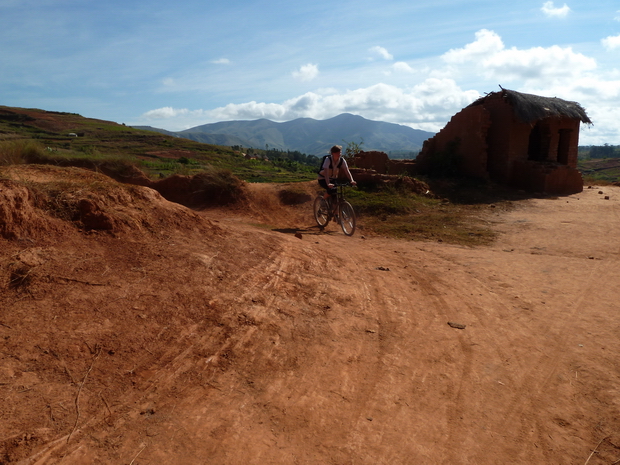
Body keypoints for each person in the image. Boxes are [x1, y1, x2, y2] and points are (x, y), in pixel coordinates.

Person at [317, 145, 357, 216]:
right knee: (330, 190)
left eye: (340, 152)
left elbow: (347, 171)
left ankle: (336, 215)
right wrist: (328, 183)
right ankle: (322, 200)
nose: (339, 154)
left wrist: (352, 180)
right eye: (338, 153)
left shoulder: (342, 160)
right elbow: (326, 172)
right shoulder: (328, 159)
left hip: (333, 179)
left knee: (335, 196)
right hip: (323, 179)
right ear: (333, 153)